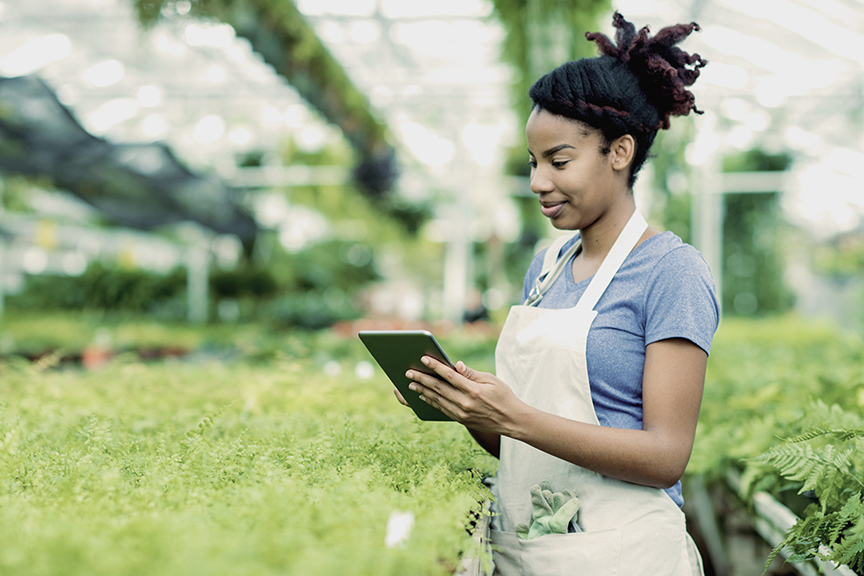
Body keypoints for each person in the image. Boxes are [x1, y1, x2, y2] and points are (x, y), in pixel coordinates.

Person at [398, 12, 720, 576]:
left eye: (559, 161)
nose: (537, 182)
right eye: (533, 162)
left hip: (626, 557)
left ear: (619, 152)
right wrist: (471, 410)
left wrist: (515, 415)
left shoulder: (671, 272)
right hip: (532, 551)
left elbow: (666, 456)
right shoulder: (546, 269)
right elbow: (528, 444)